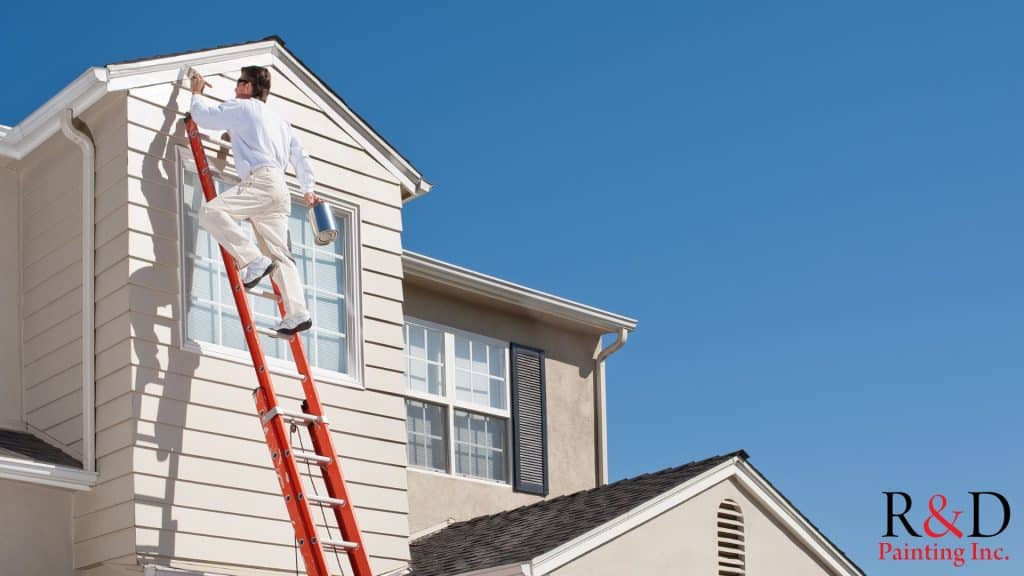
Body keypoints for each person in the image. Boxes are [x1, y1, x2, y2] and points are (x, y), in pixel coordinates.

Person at [189, 66, 316, 335]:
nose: (235, 88)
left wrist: (196, 93)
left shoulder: (242, 107)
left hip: (260, 181)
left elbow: (202, 116)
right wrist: (308, 188)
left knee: (210, 213)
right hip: (280, 189)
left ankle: (251, 260)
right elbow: (300, 156)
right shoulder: (280, 122)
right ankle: (298, 312)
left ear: (248, 87)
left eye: (239, 83)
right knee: (281, 255)